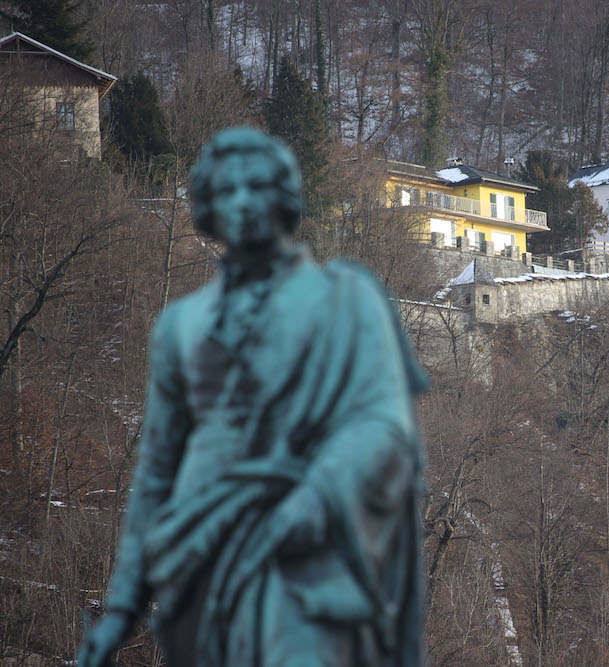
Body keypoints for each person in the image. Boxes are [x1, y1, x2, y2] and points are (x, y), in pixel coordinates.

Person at [77, 127, 428, 666]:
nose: (242, 202)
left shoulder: (346, 298)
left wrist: (314, 498)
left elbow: (385, 427)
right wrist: (123, 607)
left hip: (308, 554)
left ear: (284, 197)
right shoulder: (181, 324)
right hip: (201, 563)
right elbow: (157, 472)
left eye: (257, 186)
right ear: (207, 207)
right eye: (226, 190)